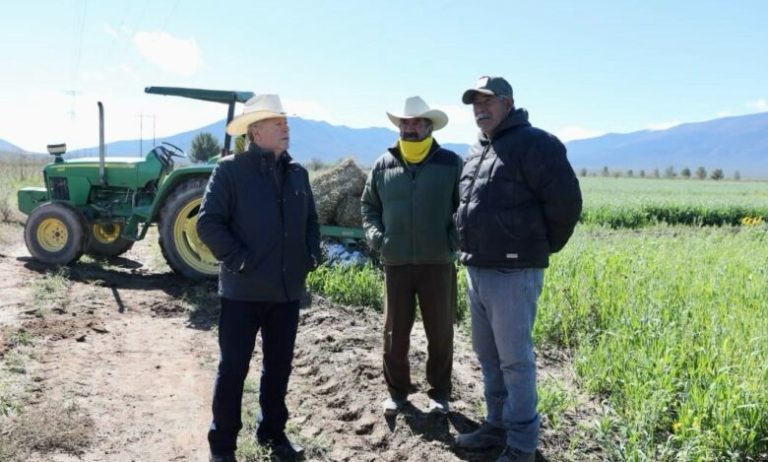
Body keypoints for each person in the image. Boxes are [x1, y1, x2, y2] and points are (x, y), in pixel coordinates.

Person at [453, 77, 582, 462]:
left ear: (508, 103)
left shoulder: (536, 144)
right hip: (477, 268)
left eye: (487, 101)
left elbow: (566, 205)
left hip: (513, 273)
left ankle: (523, 443)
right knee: (488, 356)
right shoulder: (477, 149)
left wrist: (533, 249)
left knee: (515, 361)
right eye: (475, 103)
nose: (480, 109)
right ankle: (496, 425)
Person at [197, 94, 321, 462]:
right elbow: (208, 223)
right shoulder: (230, 171)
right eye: (277, 122)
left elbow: (311, 221)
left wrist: (310, 255)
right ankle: (222, 447)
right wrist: (240, 261)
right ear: (256, 131)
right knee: (233, 369)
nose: (286, 127)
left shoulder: (297, 173)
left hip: (286, 292)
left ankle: (272, 434)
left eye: (286, 122)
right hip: (243, 292)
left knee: (278, 368)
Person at [361, 96, 463, 417]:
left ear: (429, 127)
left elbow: (465, 208)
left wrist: (452, 240)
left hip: (438, 263)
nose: (410, 127)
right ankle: (397, 393)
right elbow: (368, 206)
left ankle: (440, 394)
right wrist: (379, 240)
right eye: (405, 122)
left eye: (417, 122)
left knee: (441, 332)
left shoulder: (451, 163)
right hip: (396, 263)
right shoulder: (383, 165)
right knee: (394, 334)